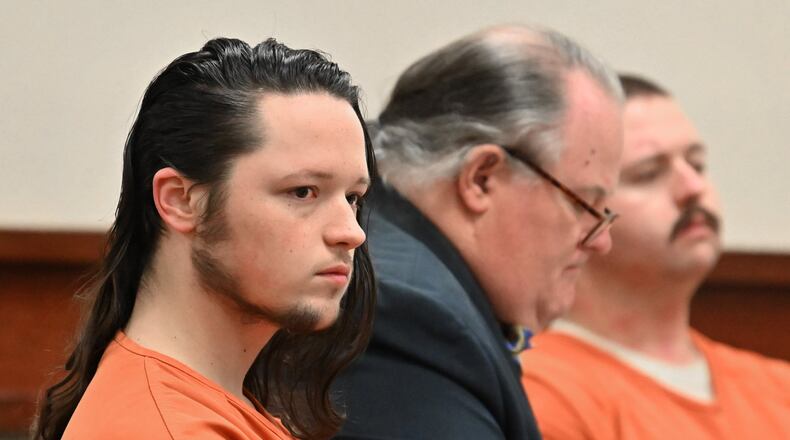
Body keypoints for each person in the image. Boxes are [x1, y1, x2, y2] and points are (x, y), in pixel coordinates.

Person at [34, 38, 377, 440]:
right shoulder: (161, 427)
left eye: (353, 197)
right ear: (181, 201)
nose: (352, 232)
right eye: (302, 191)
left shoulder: (209, 403)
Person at [333, 25, 624, 439]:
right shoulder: (408, 318)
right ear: (482, 179)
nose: (601, 239)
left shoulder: (406, 272)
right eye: (585, 203)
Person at [520, 74, 790, 439]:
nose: (693, 189)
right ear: (574, 211)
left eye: (697, 165)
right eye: (648, 173)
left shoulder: (777, 386)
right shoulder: (542, 391)